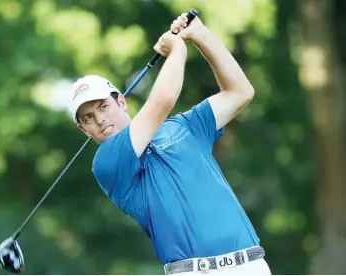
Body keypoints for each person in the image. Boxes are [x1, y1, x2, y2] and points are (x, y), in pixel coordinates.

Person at [67, 13, 271, 275]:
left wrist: (200, 35)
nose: (100, 119)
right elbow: (162, 100)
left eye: (103, 106)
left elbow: (240, 91)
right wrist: (176, 50)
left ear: (121, 102)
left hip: (252, 264)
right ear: (83, 129)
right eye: (89, 118)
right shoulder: (107, 162)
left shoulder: (183, 126)